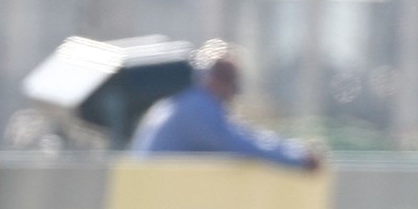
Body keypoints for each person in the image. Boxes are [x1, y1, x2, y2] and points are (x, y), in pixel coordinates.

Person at [131, 42, 322, 171]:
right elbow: (241, 144)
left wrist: (292, 150)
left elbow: (242, 134)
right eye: (231, 82)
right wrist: (298, 158)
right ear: (214, 80)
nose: (235, 92)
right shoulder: (198, 110)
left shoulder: (184, 103)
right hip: (158, 195)